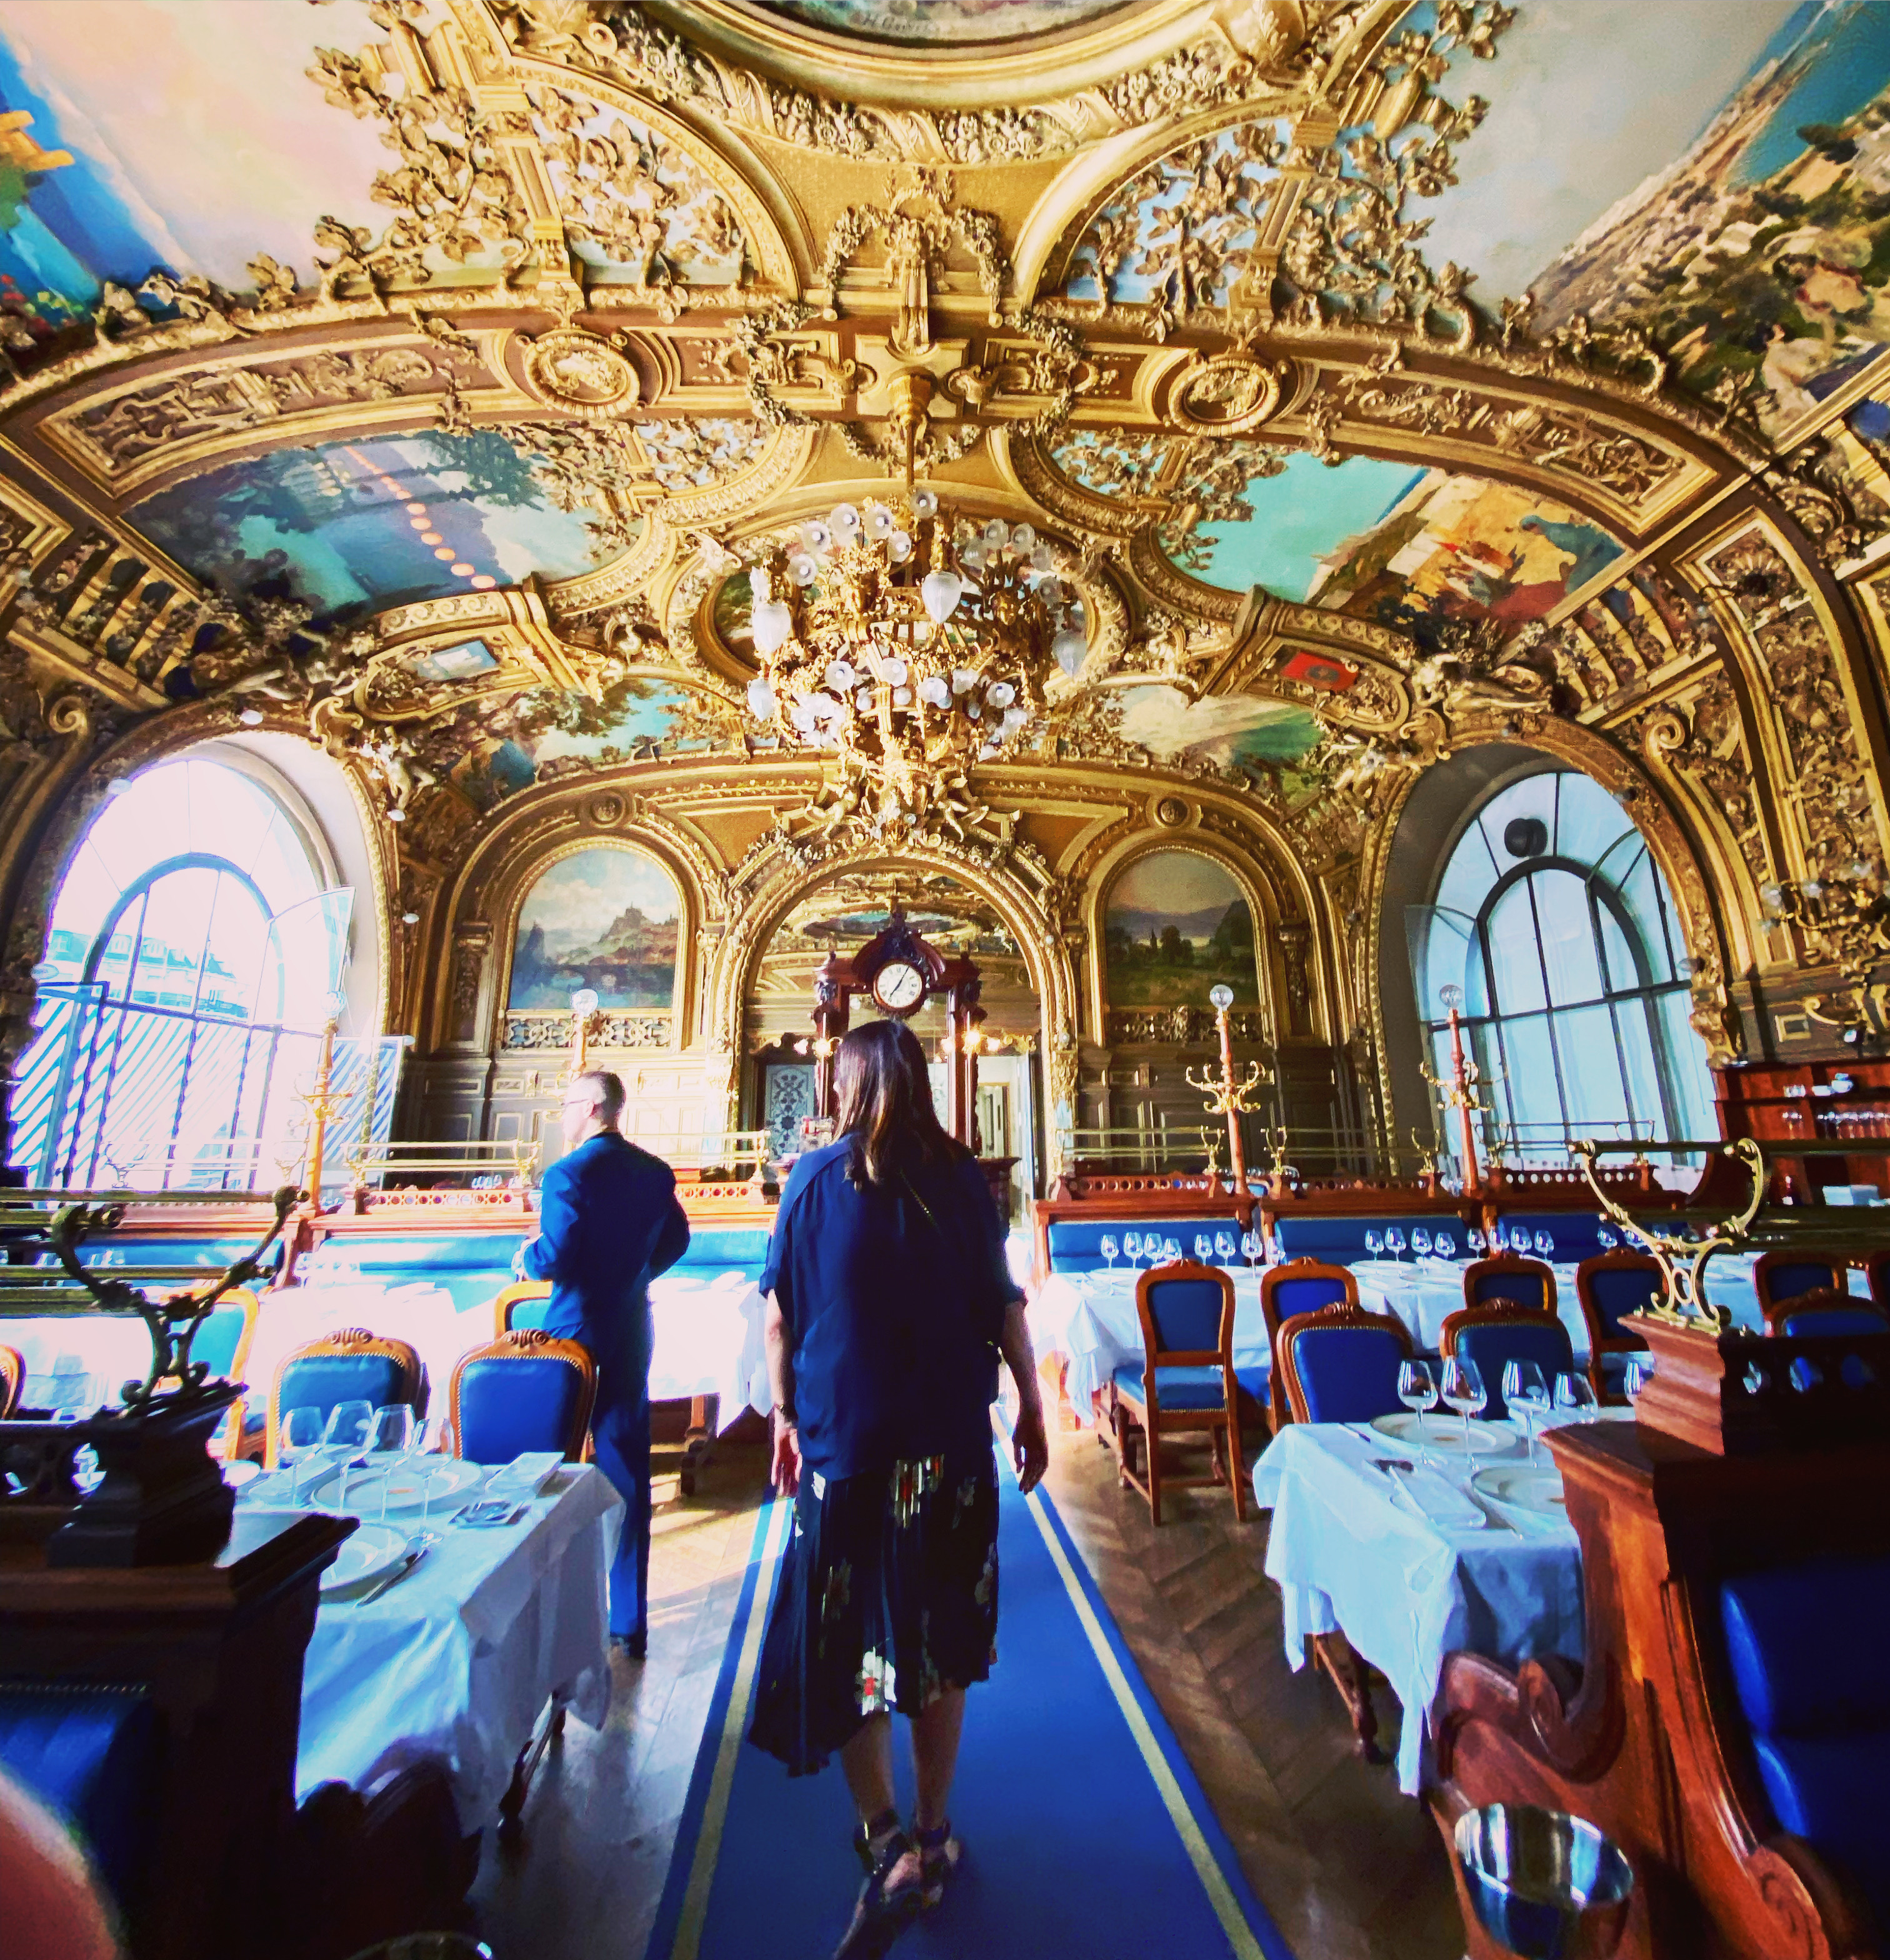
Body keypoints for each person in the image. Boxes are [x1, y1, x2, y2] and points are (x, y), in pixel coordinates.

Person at [748, 1019, 1049, 1960]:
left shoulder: (809, 1181)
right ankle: (932, 1830)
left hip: (845, 1448)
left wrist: (785, 1419)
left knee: (852, 1639)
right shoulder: (963, 1178)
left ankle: (884, 1845)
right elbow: (1005, 1303)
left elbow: (778, 1322)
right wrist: (1034, 1405)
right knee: (941, 1633)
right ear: (920, 1081)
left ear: (843, 1087)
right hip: (947, 1449)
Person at [518, 1068, 689, 1656]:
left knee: (548, 1464)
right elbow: (678, 1240)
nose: (562, 1115)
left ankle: (541, 1610)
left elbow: (556, 1255)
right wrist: (637, 1276)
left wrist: (525, 1258)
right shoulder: (654, 1171)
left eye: (567, 1104)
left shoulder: (568, 1174)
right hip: (631, 1327)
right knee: (627, 1471)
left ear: (592, 1107)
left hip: (574, 1335)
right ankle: (629, 1619)